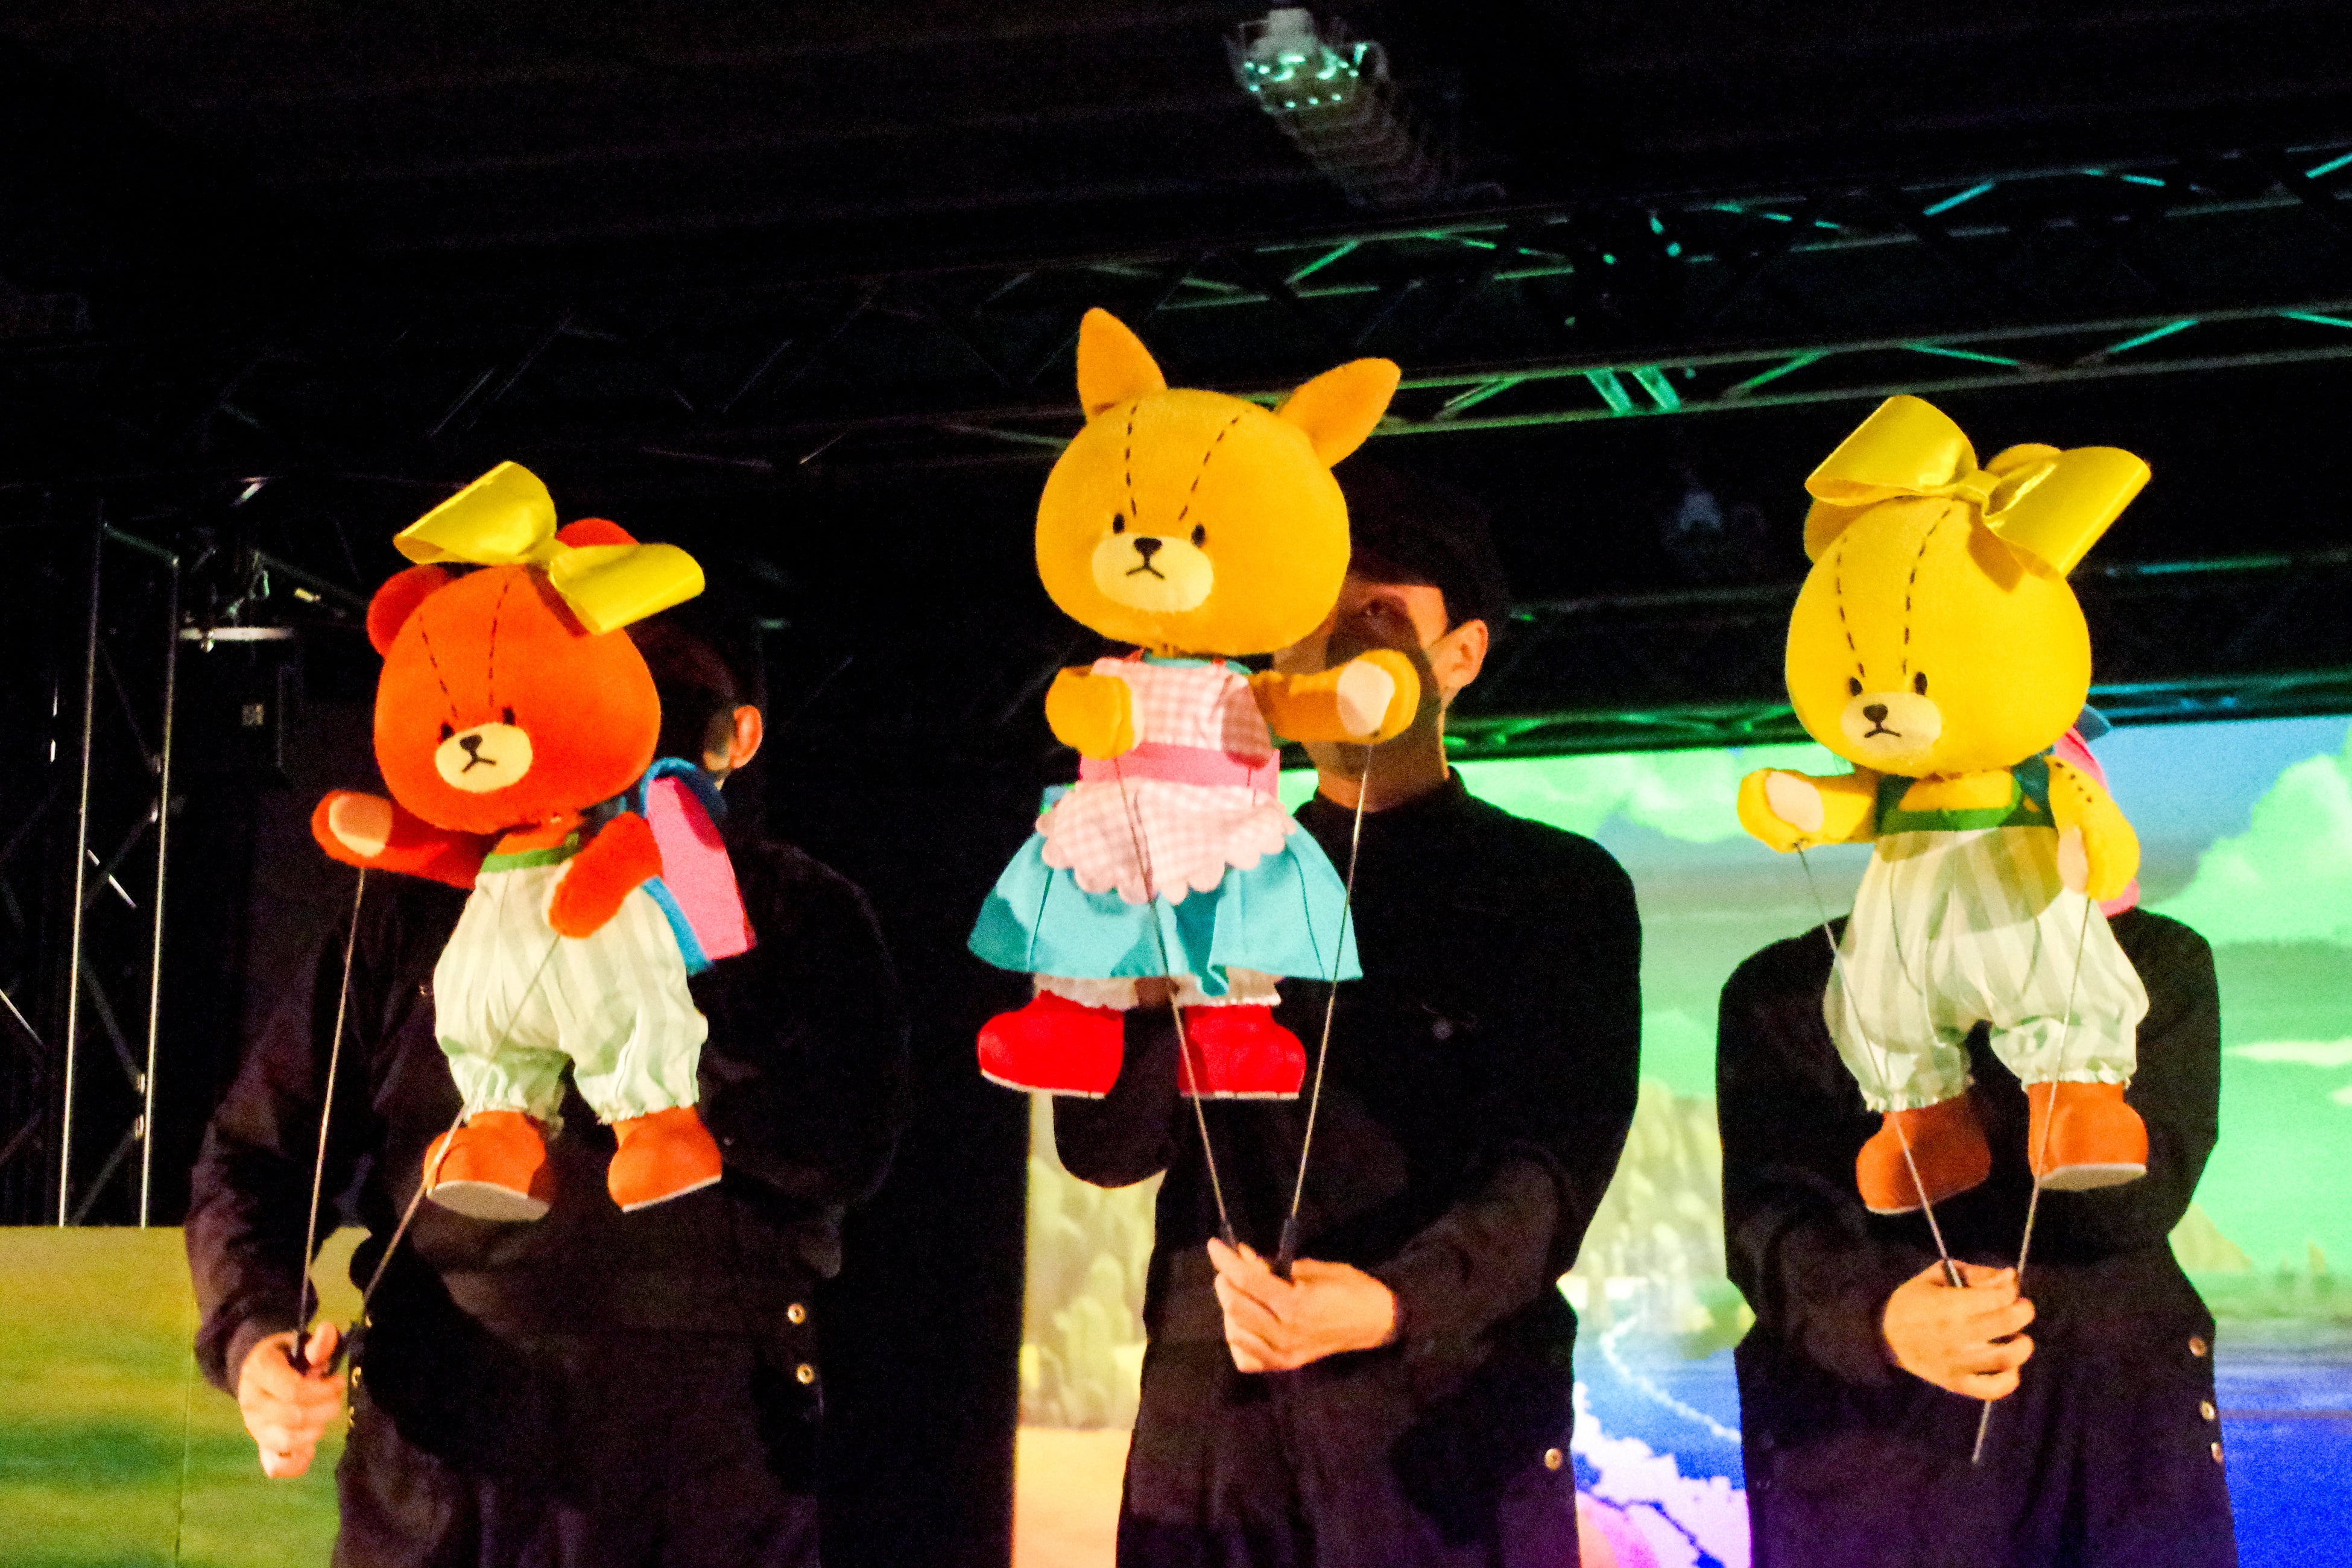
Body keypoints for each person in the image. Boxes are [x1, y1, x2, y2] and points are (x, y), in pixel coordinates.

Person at [187, 608, 909, 1568]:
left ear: (735, 737)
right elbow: (256, 1154)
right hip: (448, 1447)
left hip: (710, 1453)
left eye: (651, 689)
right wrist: (254, 1335)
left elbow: (849, 1148)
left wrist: (693, 955)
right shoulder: (423, 906)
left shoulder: (797, 909)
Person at [1052, 460, 1644, 1566]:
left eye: (1379, 613)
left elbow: (1551, 1169)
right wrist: (1144, 965)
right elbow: (1102, 1148)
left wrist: (1390, 1301)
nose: (1334, 644)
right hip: (1215, 1435)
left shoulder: (1557, 887)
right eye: (1309, 617)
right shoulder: (1202, 869)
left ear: (1461, 653)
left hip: (1439, 1424)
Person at [1718, 775, 2238, 1566]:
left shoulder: (2150, 964)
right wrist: (1882, 1318)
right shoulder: (1789, 988)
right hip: (1880, 1455)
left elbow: (2130, 1203)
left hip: (2109, 1449)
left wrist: (2034, 1014)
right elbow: (1768, 1223)